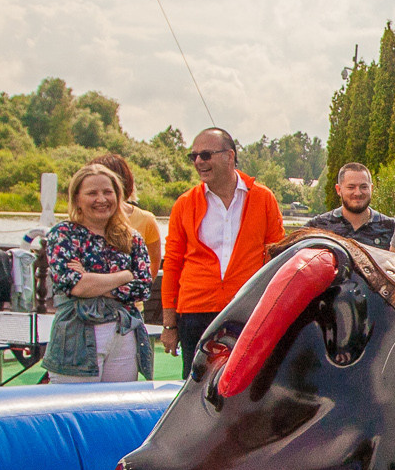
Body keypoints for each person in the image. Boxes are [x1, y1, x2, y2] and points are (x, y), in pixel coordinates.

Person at [162, 127, 285, 370]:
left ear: (229, 156)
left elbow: (277, 259)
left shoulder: (263, 199)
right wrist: (169, 325)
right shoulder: (184, 204)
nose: (198, 162)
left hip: (247, 311)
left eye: (205, 155)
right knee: (195, 390)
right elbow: (172, 265)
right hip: (195, 314)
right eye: (193, 156)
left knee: (249, 389)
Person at [40, 163, 153, 383]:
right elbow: (76, 286)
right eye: (92, 193)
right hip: (76, 340)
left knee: (118, 409)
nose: (101, 199)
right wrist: (124, 276)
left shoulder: (133, 238)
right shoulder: (63, 234)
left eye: (107, 192)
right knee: (73, 410)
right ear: (77, 199)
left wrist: (94, 283)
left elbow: (142, 288)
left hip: (123, 334)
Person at [94, 153, 163, 324]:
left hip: (130, 309)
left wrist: (127, 290)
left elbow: (152, 268)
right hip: (89, 309)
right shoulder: (81, 223)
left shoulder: (146, 220)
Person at [305, 161, 395, 249]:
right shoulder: (317, 227)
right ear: (338, 189)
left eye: (364, 187)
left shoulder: (392, 229)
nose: (358, 193)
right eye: (351, 187)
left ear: (371, 188)